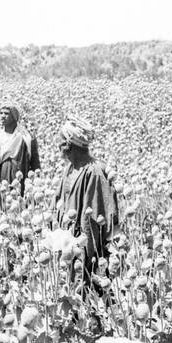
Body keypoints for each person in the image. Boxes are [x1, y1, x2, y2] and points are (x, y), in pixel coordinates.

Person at [54, 115, 119, 279]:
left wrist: (84, 261)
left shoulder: (95, 172)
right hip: (69, 246)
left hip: (86, 254)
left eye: (61, 140)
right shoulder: (70, 168)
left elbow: (92, 222)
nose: (58, 144)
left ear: (68, 144)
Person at [0, 104, 40, 198]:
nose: (2, 116)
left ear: (14, 116)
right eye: (1, 113)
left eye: (6, 113)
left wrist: (35, 183)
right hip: (1, 180)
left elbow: (35, 163)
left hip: (21, 181)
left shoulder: (26, 137)